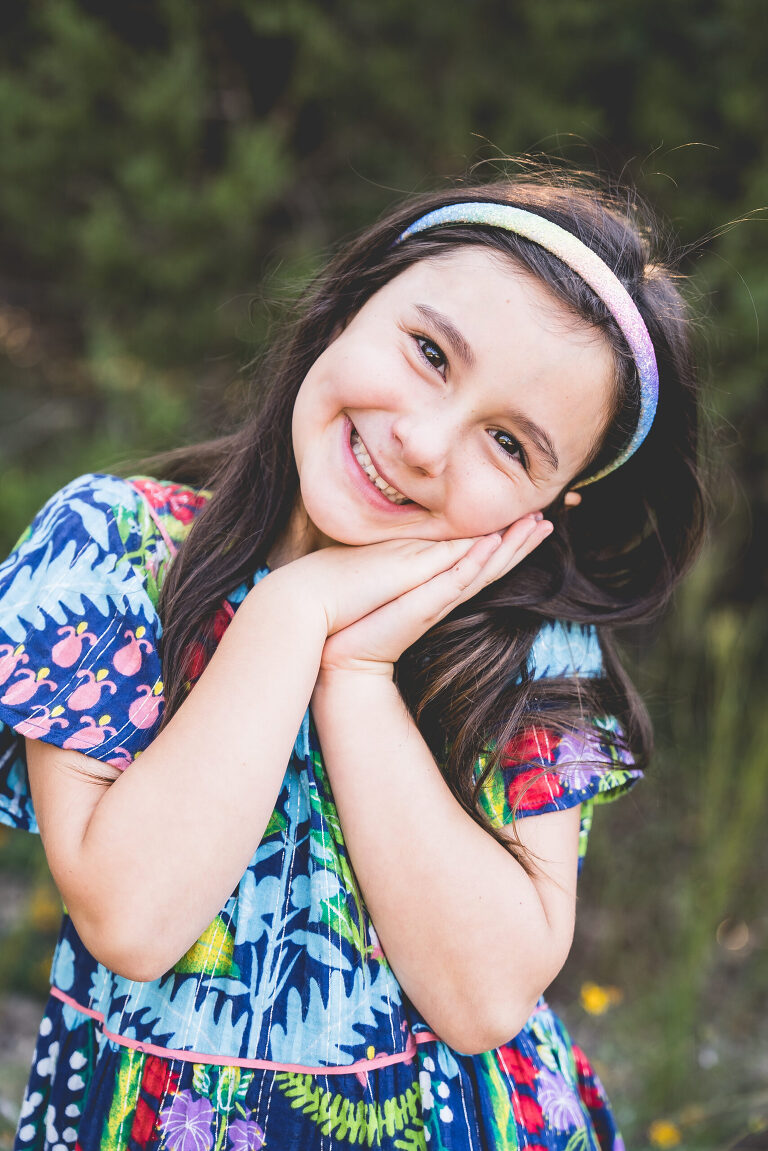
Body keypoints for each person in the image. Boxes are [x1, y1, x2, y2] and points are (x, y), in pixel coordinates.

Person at [0, 174, 705, 1150]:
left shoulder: (538, 647)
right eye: (428, 352)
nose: (422, 441)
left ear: (557, 502)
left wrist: (359, 675)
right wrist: (297, 608)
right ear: (352, 297)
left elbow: (483, 997)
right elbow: (132, 912)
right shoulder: (112, 550)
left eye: (508, 443)